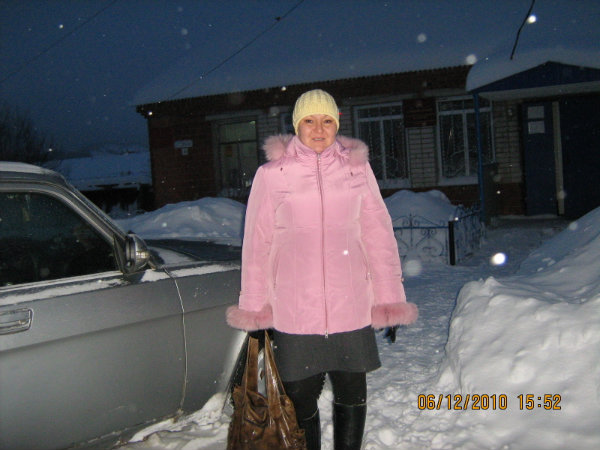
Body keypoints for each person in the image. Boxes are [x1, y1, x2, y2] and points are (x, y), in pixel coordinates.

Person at [226, 89, 418, 450]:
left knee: (352, 391)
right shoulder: (272, 175)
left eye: (327, 120)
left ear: (337, 124)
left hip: (351, 303)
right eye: (310, 121)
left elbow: (378, 235)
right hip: (295, 307)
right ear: (296, 125)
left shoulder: (357, 169)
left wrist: (390, 298)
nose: (318, 129)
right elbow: (257, 244)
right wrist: (254, 306)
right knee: (299, 396)